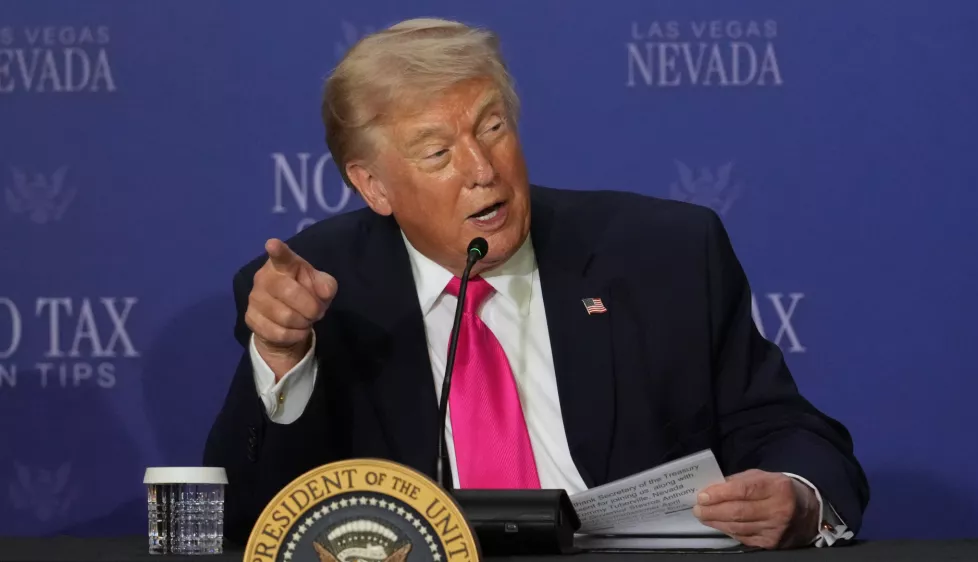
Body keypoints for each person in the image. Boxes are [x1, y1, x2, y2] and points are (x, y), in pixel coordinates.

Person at [204, 18, 868, 550]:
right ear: (372, 185)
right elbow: (249, 519)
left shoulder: (664, 253)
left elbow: (786, 430)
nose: (481, 169)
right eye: (437, 153)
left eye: (493, 128)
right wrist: (284, 358)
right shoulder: (320, 289)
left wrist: (797, 495)